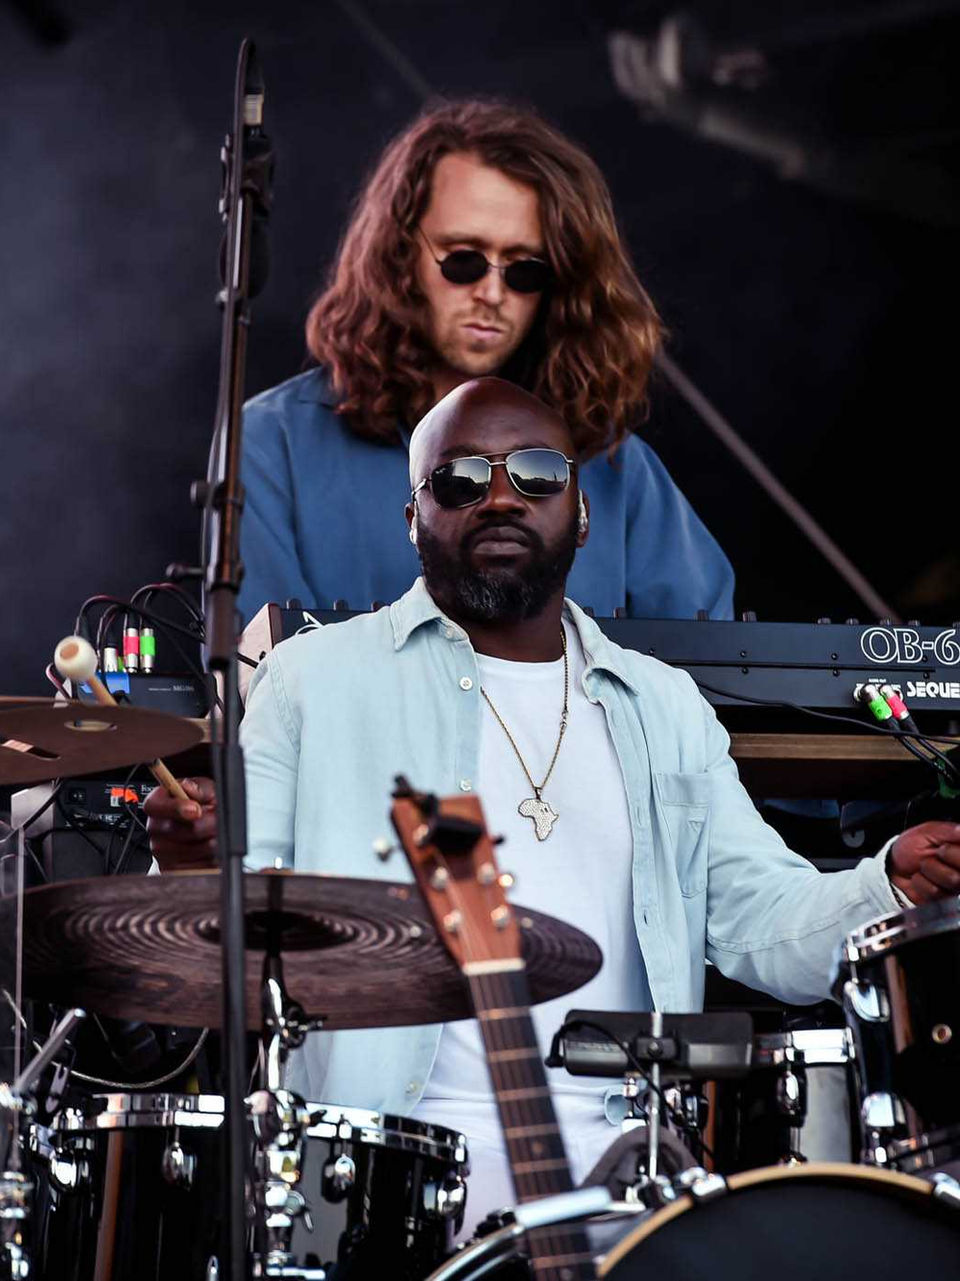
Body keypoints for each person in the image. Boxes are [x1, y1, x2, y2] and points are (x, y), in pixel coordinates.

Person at [147, 377, 960, 1239]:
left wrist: (888, 884)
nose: (501, 494)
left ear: (579, 511)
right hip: (384, 1188)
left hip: (637, 1189)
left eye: (536, 472)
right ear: (412, 516)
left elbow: (763, 923)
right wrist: (197, 862)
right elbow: (244, 938)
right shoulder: (309, 682)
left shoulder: (665, 704)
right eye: (460, 477)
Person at [239, 98, 734, 625]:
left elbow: (710, 680)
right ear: (399, 255)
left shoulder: (615, 467)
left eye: (524, 271)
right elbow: (266, 679)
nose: (492, 292)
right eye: (464, 260)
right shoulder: (274, 445)